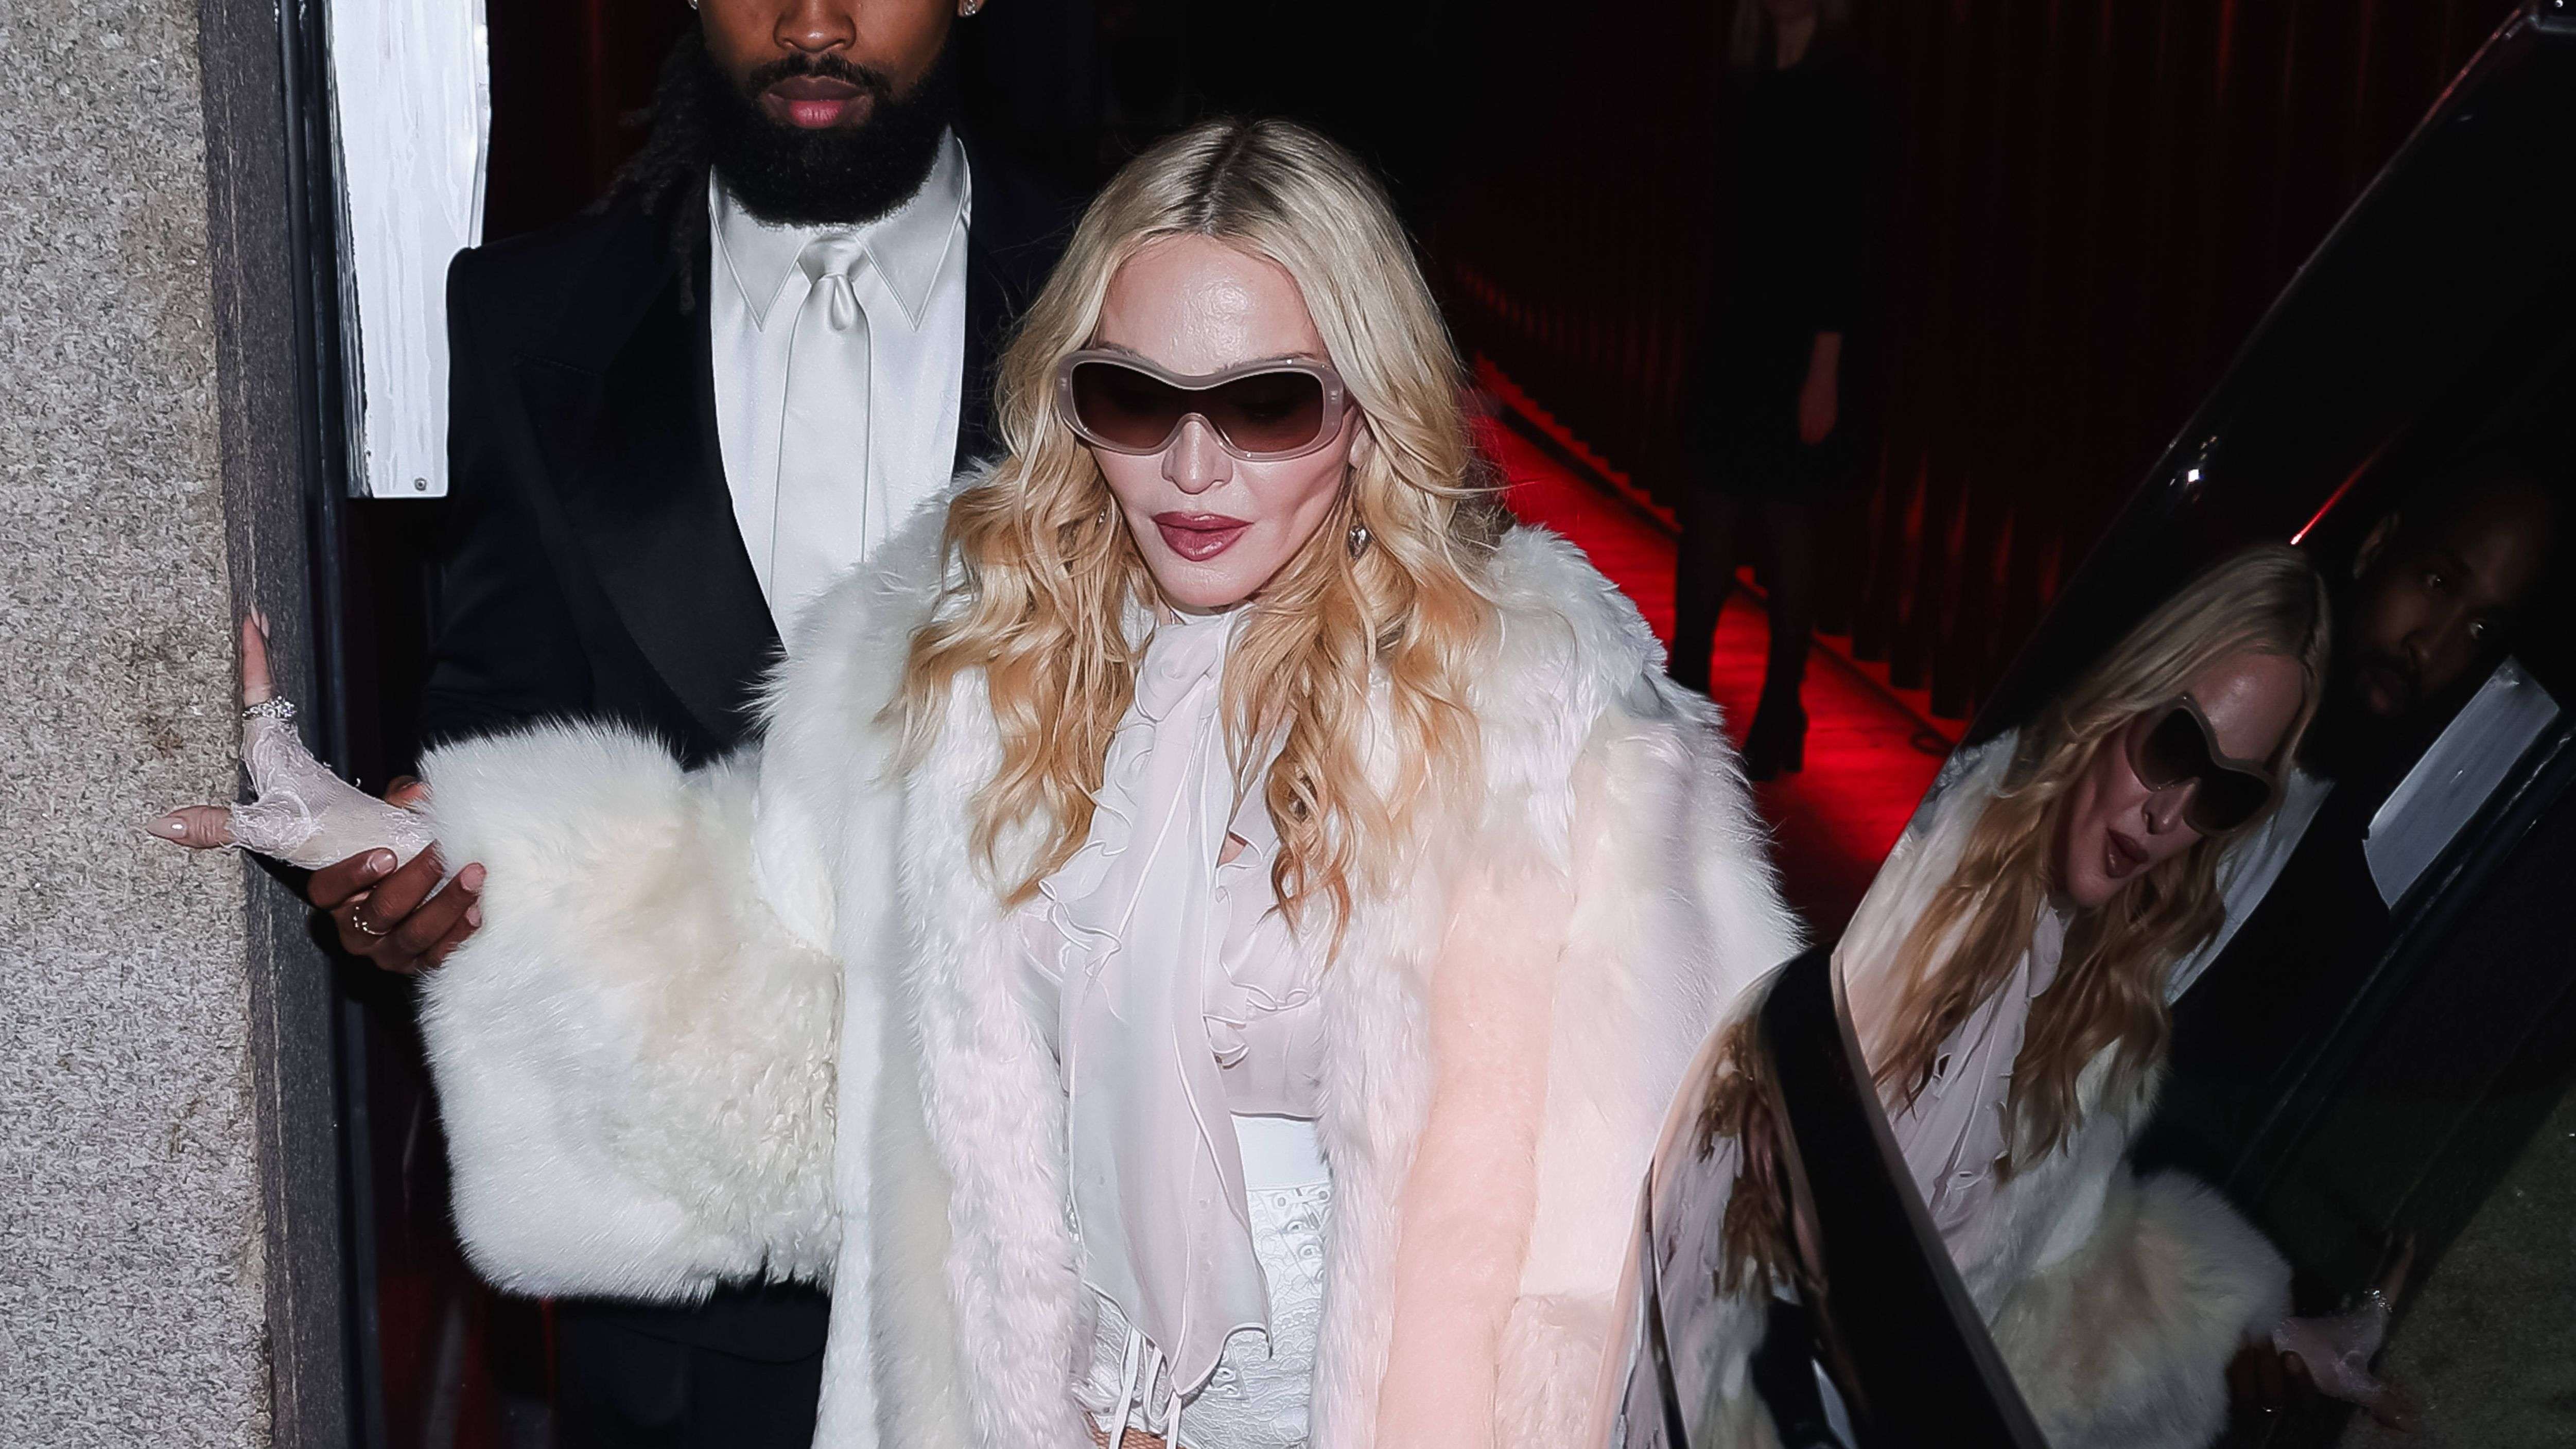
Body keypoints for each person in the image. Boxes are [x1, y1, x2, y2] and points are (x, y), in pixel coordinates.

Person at [160, 119, 1803, 1449]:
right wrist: (446, 851)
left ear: (1368, 411)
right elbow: (759, 991)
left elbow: (1676, 1222)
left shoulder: (1539, 722)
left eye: (1266, 404)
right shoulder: (960, 663)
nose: (1193, 466)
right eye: (1135, 399)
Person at [158, 1, 1066, 1442]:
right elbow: (497, 721)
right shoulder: (531, 318)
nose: (811, 19)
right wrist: (405, 877)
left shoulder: (1128, 287)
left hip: (1079, 1251)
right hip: (692, 1281)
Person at [1833, 546, 2331, 1446]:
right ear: (2122, 694)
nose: (2169, 815)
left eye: (2223, 793)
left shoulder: (2105, 987)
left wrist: (2252, 1320)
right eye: (2176, 747)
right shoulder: (1933, 885)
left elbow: (2040, 1265)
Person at [1666, 0, 1874, 780]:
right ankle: (1687, 695)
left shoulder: (1844, 85)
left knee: (1789, 524)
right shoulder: (1743, 76)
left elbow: (1845, 239)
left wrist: (1825, 368)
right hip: (1734, 329)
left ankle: (1783, 710)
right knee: (1710, 514)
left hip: (1801, 339)